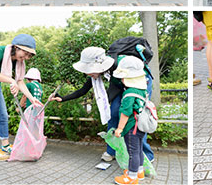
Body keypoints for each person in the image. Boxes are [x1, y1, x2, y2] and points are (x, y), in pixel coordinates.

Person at [52, 44, 155, 164]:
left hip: (139, 81)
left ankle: (145, 154)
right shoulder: (98, 72)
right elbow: (83, 90)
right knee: (113, 113)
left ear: (98, 66)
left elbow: (135, 89)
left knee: (136, 118)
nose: (87, 74)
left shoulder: (119, 65)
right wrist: (62, 98)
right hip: (120, 85)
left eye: (88, 70)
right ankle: (112, 150)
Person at [112, 56, 149, 185]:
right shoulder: (142, 91)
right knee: (138, 149)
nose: (121, 80)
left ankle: (132, 177)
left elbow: (125, 113)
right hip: (140, 127)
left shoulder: (129, 94)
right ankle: (140, 171)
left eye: (123, 77)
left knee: (132, 152)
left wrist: (120, 128)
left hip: (131, 127)